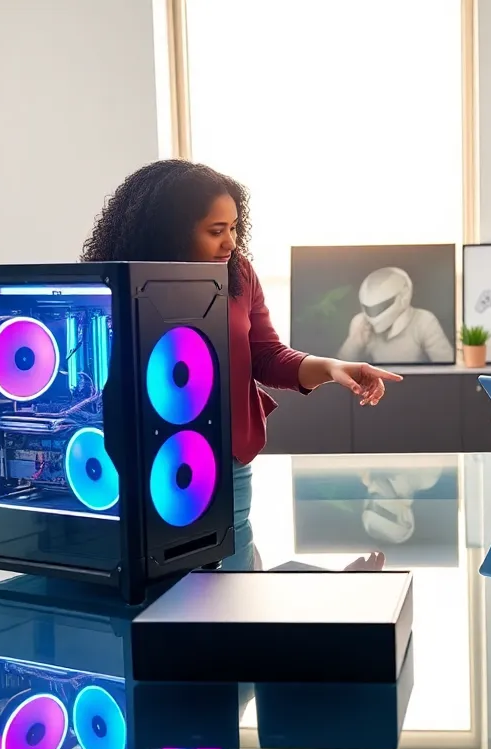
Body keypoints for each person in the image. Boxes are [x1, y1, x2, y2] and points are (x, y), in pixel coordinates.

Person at [81, 159, 403, 569]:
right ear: (172, 233)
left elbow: (266, 356)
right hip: (142, 469)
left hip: (226, 463)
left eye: (234, 227)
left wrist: (331, 367)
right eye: (216, 231)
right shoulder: (117, 287)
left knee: (233, 585)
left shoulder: (238, 275)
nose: (230, 242)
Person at [337, 267, 454, 363]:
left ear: (403, 296)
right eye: (369, 308)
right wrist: (354, 343)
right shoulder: (360, 324)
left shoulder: (423, 321)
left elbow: (446, 365)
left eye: (382, 306)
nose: (373, 315)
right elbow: (339, 370)